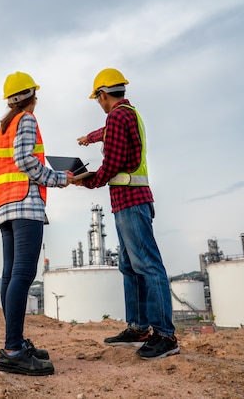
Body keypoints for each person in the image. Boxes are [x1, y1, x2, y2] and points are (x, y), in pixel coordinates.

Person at [75, 68, 180, 360]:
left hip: (131, 203)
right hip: (127, 203)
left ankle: (165, 335)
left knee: (147, 265)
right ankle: (138, 327)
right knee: (129, 266)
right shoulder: (127, 115)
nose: (98, 102)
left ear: (103, 94)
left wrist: (86, 180)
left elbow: (112, 163)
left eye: (97, 98)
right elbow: (109, 134)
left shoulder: (117, 117)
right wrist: (90, 137)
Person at [0, 71, 77, 376]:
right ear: (32, 97)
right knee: (23, 275)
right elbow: (25, 160)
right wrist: (58, 179)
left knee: (10, 276)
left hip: (5, 206)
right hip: (26, 206)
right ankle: (12, 350)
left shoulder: (3, 127)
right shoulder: (26, 120)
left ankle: (14, 343)